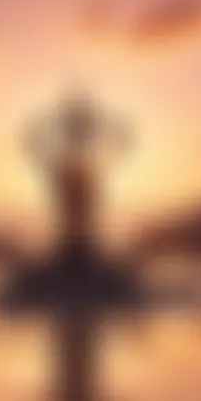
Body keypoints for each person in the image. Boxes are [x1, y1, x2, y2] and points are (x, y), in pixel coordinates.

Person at [25, 92, 130, 270]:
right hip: (71, 243)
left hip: (83, 243)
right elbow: (32, 141)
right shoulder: (67, 168)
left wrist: (55, 120)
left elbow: (123, 141)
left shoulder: (86, 168)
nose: (79, 132)